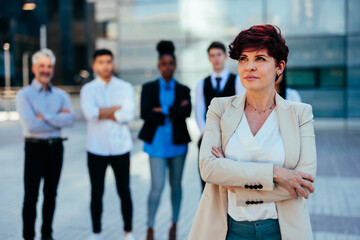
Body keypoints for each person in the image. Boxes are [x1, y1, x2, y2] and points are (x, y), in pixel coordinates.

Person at [189, 25, 317, 240]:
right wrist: (275, 173)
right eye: (243, 59)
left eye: (260, 59)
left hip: (282, 231)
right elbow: (209, 169)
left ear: (279, 66)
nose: (249, 66)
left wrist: (233, 180)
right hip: (229, 230)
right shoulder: (219, 108)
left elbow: (303, 184)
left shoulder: (300, 114)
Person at [16, 48, 76, 240]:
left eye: (49, 66)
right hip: (35, 148)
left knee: (51, 195)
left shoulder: (60, 95)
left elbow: (71, 120)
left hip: (56, 148)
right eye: (42, 66)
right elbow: (31, 124)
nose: (46, 70)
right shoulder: (24, 95)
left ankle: (46, 235)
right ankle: (28, 236)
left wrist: (46, 117)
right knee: (31, 196)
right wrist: (58, 118)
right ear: (34, 68)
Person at [80, 49, 136, 240]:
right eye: (101, 62)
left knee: (124, 192)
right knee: (96, 193)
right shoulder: (88, 90)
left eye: (108, 61)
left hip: (121, 147)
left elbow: (128, 115)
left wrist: (101, 112)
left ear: (113, 64)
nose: (105, 65)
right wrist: (114, 111)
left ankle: (128, 232)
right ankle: (96, 233)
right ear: (95, 65)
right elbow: (90, 114)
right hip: (96, 148)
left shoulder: (125, 87)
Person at [138, 40, 191, 240]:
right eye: (164, 64)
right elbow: (145, 113)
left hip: (178, 145)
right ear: (158, 65)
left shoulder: (183, 89)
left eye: (171, 63)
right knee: (157, 186)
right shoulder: (149, 88)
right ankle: (150, 226)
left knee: (176, 186)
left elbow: (186, 111)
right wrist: (173, 111)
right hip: (156, 144)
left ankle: (174, 224)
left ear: (175, 65)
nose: (167, 67)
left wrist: (162, 110)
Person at [195, 41, 246, 190]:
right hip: (208, 140)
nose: (216, 58)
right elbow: (199, 111)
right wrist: (205, 134)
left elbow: (240, 108)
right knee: (206, 183)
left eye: (219, 55)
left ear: (225, 56)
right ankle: (208, 213)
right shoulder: (201, 84)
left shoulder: (237, 80)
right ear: (209, 58)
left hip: (231, 138)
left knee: (229, 181)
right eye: (212, 55)